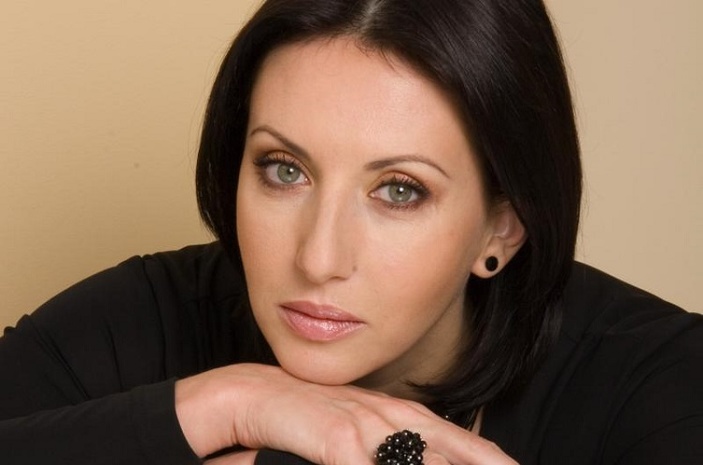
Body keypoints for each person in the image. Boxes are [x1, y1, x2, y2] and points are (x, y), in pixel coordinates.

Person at [0, 0, 701, 464]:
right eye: (284, 170)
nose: (318, 257)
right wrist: (234, 405)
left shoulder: (657, 379)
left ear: (504, 225)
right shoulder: (144, 317)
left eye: (399, 190)